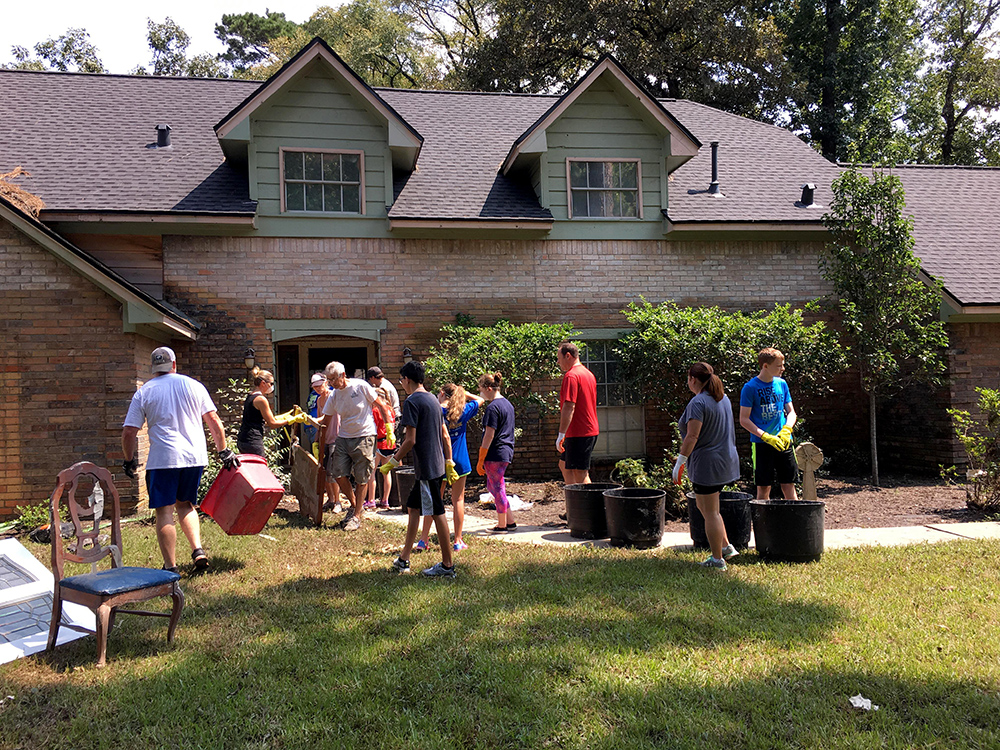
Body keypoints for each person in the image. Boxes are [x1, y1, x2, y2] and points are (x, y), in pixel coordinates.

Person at [121, 346, 240, 573]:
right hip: (193, 457)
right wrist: (223, 450)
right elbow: (213, 420)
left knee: (164, 511)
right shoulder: (194, 386)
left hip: (163, 459)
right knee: (186, 504)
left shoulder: (145, 392)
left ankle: (170, 567)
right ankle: (198, 551)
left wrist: (129, 460)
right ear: (174, 364)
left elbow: (128, 431)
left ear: (153, 367)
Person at [383, 361, 459, 577]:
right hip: (435, 465)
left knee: (437, 512)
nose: (402, 384)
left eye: (401, 380)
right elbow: (443, 434)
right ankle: (404, 559)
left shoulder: (413, 401)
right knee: (414, 508)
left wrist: (393, 460)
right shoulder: (433, 400)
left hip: (426, 468)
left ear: (406, 379)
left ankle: (447, 566)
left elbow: (410, 440)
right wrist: (447, 460)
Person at [673, 362, 742, 570]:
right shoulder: (723, 398)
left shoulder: (698, 403)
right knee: (706, 507)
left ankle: (717, 560)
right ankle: (726, 547)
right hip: (726, 461)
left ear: (693, 379)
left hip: (708, 465)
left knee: (710, 511)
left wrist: (680, 462)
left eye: (688, 378)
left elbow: (692, 436)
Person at [320, 361, 392, 531]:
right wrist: (315, 436)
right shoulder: (334, 395)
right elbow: (325, 421)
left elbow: (381, 405)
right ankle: (354, 505)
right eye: (328, 380)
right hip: (343, 437)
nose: (331, 384)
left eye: (333, 379)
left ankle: (357, 516)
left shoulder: (361, 387)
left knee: (362, 477)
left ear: (343, 375)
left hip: (365, 436)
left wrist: (389, 429)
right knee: (337, 473)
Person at [414, 383, 484, 552]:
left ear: (441, 393)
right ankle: (458, 540)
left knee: (434, 500)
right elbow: (481, 399)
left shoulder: (436, 411)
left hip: (440, 460)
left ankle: (424, 539)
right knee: (458, 500)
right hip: (460, 461)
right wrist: (465, 394)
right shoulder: (463, 411)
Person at [739, 348, 798, 501]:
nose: (783, 369)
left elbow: (791, 412)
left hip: (784, 442)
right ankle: (763, 523)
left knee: (789, 484)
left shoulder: (782, 384)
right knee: (764, 487)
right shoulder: (750, 388)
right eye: (779, 365)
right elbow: (744, 419)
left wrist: (786, 430)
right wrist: (764, 436)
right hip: (761, 444)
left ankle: (796, 522)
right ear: (765, 366)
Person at [477, 372, 517, 532]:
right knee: (493, 486)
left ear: (488, 388)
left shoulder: (493, 408)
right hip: (506, 451)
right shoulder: (508, 404)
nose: (480, 393)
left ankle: (502, 525)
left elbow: (489, 435)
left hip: (495, 452)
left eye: (481, 389)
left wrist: (481, 458)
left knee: (497, 487)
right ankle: (510, 521)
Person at [556, 342, 599, 485]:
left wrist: (561, 434)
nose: (558, 362)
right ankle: (573, 501)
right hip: (586, 430)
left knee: (580, 474)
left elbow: (569, 406)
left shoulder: (571, 376)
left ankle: (590, 506)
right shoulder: (588, 374)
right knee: (564, 466)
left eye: (559, 358)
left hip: (580, 432)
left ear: (568, 356)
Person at [235, 368, 302, 456]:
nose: (272, 386)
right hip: (253, 441)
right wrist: (292, 420)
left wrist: (285, 416)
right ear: (263, 383)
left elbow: (261, 419)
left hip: (243, 440)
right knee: (259, 467)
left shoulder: (251, 396)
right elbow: (272, 424)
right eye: (271, 383)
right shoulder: (261, 399)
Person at [363, 367, 397, 510]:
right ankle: (385, 500)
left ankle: (371, 500)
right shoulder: (391, 410)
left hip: (378, 444)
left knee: (372, 472)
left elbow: (374, 426)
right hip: (389, 444)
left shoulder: (376, 410)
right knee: (386, 473)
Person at [305, 372, 329, 456]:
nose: (317, 388)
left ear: (326, 383)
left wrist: (313, 420)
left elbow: (327, 416)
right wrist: (316, 440)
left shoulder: (332, 396)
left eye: (319, 385)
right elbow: (320, 418)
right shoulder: (318, 399)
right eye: (315, 386)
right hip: (322, 436)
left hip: (334, 438)